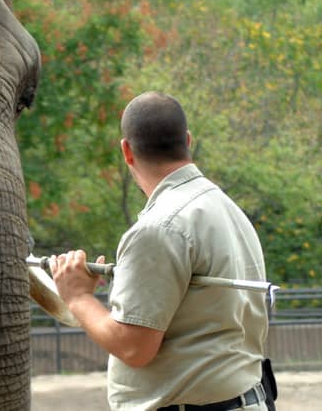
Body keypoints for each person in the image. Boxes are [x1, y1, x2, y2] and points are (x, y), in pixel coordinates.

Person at [50, 91, 272, 410]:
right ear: (188, 140)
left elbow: (134, 348)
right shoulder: (225, 208)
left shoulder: (159, 228)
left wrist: (77, 297)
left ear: (126, 151)